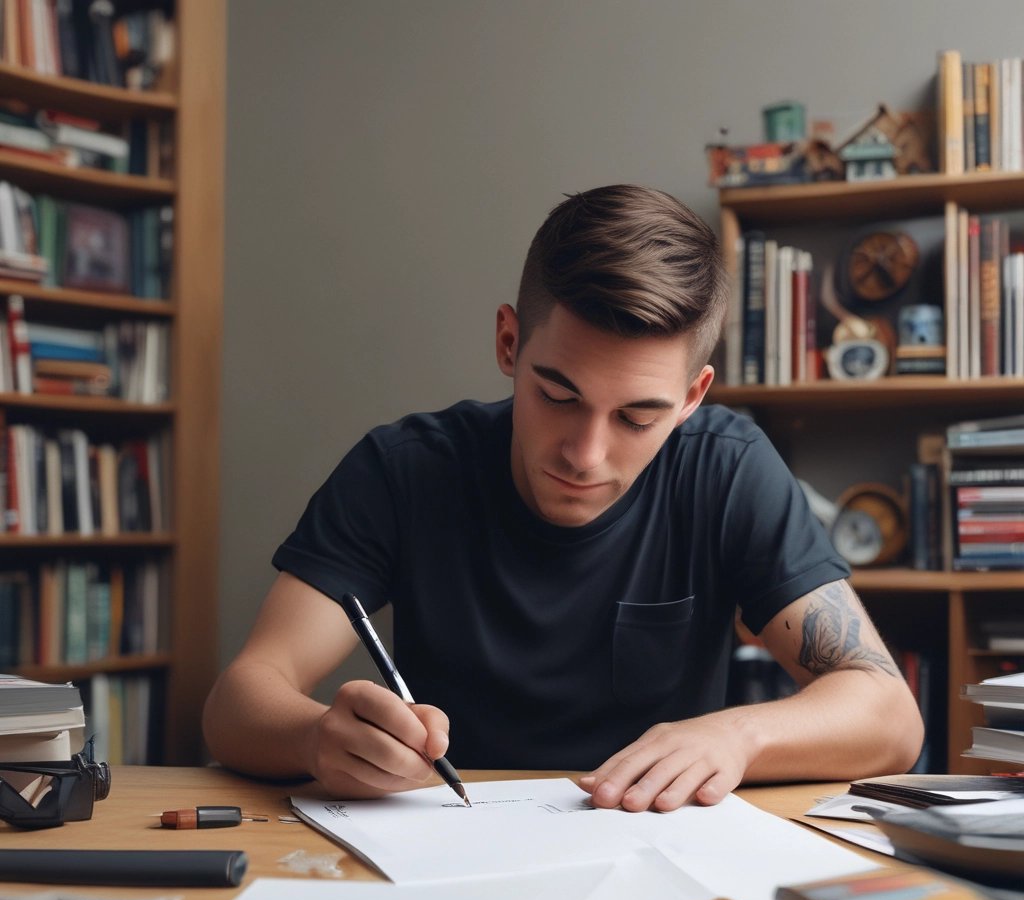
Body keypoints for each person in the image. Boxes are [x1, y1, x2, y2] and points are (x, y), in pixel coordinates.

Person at [203, 184, 923, 812]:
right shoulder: (404, 471)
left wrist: (739, 734)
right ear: (510, 343)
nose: (586, 455)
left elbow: (890, 716)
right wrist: (315, 737)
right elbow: (239, 699)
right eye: (557, 395)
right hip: (445, 848)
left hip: (655, 858)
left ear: (691, 399)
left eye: (638, 417)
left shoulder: (727, 470)